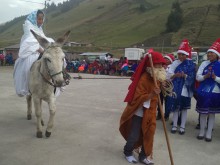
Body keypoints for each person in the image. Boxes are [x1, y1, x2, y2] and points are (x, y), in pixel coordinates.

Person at [119, 51, 167, 164]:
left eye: (161, 64)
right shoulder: (144, 78)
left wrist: (162, 88)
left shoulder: (158, 77)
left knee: (150, 133)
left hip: (151, 111)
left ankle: (144, 156)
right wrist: (151, 94)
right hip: (139, 111)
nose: (160, 66)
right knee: (134, 134)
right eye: (157, 64)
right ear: (150, 65)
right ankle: (128, 152)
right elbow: (137, 97)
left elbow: (159, 92)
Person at [13, 10, 55, 97]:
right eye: (39, 19)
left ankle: (57, 79)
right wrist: (39, 49)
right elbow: (30, 40)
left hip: (42, 50)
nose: (41, 21)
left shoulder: (39, 29)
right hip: (31, 53)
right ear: (34, 19)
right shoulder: (29, 26)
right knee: (28, 67)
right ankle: (28, 86)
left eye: (42, 19)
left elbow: (43, 39)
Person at [166, 39, 196, 135]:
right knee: (175, 108)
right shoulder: (174, 63)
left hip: (185, 89)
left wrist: (185, 76)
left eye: (183, 54)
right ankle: (175, 125)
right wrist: (175, 75)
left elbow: (192, 77)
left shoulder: (191, 64)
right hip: (176, 88)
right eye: (179, 54)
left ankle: (182, 126)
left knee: (183, 108)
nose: (181, 56)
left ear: (187, 55)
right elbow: (168, 75)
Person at [196, 38, 220, 142]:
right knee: (203, 113)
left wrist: (215, 78)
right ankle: (201, 132)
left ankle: (209, 133)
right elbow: (198, 77)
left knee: (211, 114)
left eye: (212, 53)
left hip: (215, 92)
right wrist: (205, 77)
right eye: (209, 52)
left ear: (217, 55)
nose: (209, 54)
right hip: (204, 92)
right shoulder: (204, 64)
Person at [156, 53, 175, 121]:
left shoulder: (172, 67)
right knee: (159, 101)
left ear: (170, 60)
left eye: (167, 59)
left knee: (168, 101)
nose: (165, 60)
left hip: (168, 85)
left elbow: (171, 76)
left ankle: (166, 115)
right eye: (165, 58)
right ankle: (159, 114)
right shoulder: (161, 67)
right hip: (160, 85)